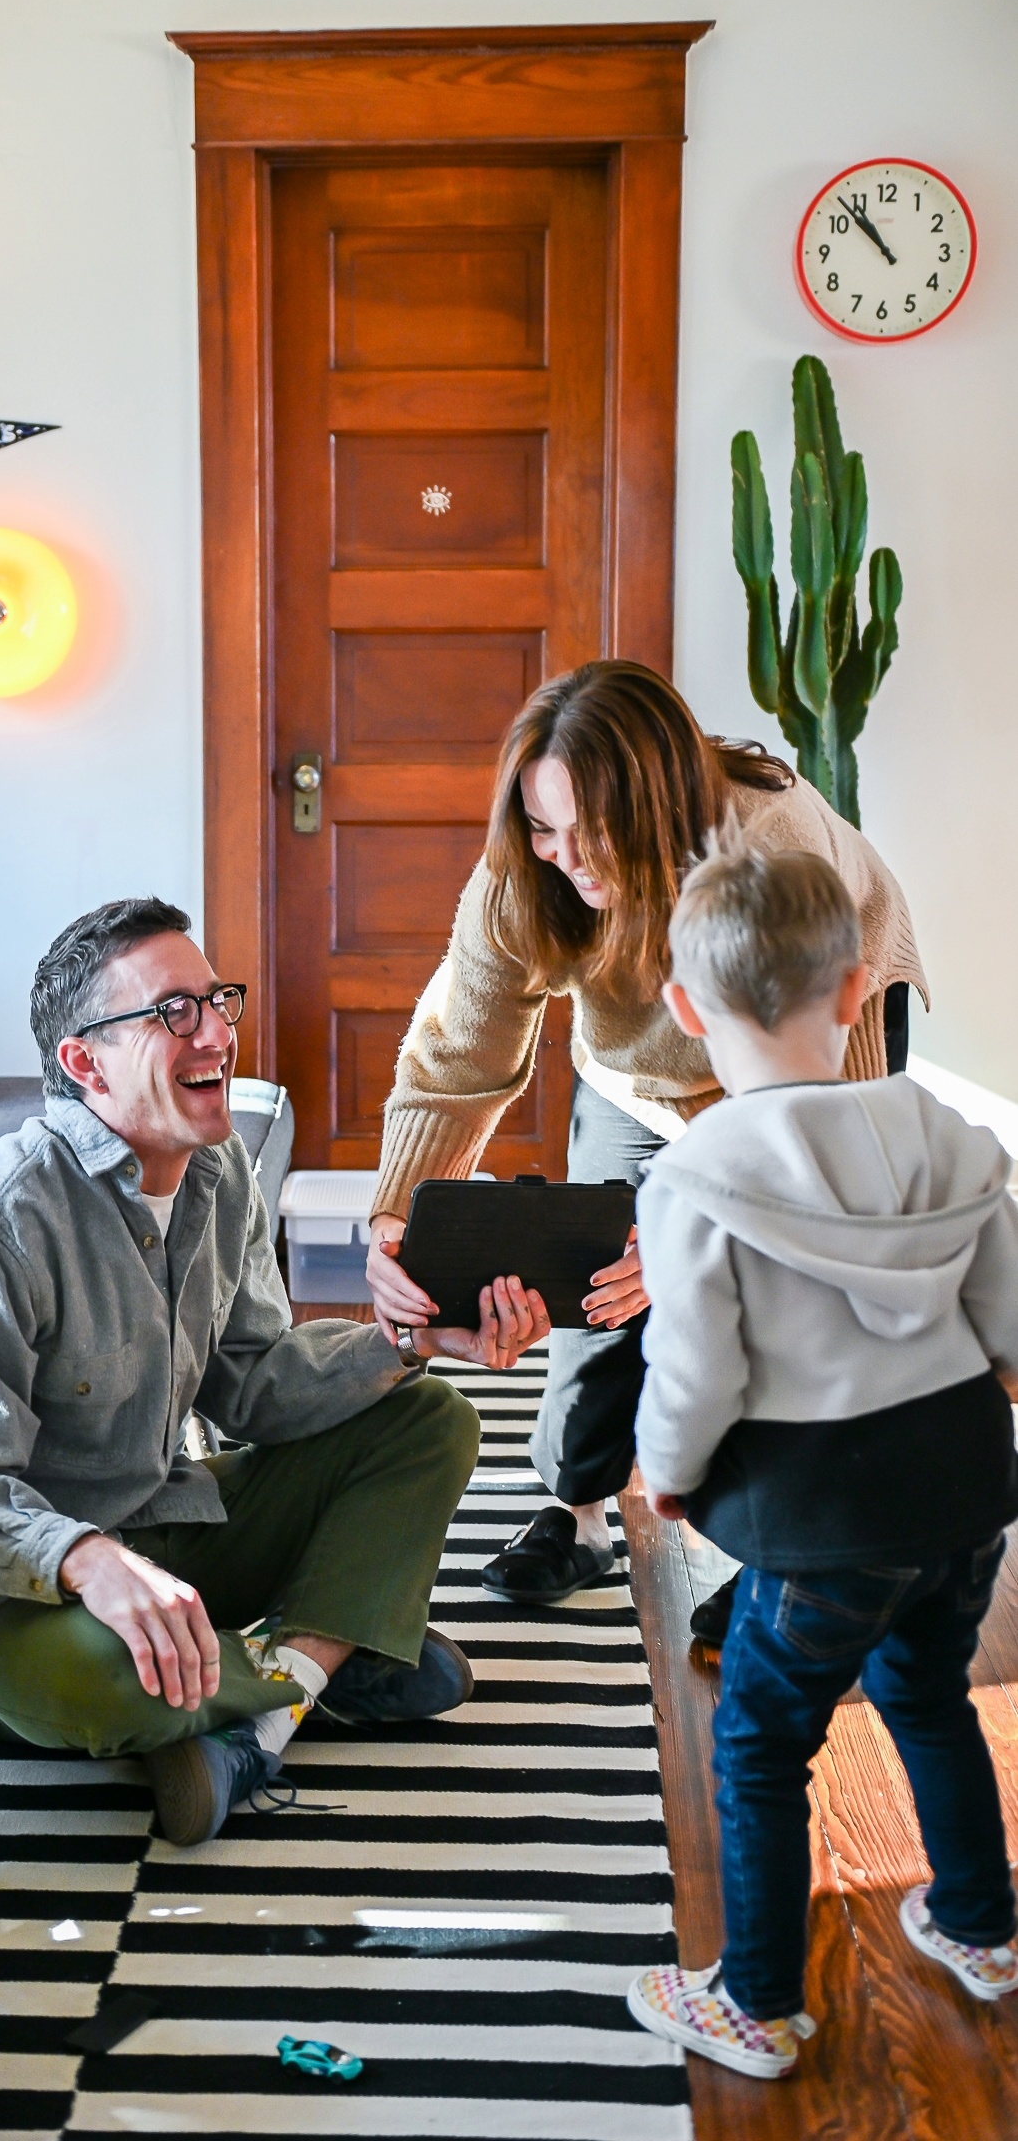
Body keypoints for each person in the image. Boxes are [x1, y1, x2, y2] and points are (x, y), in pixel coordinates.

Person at [0, 897, 549, 1848]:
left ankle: (266, 1708)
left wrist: (417, 1341)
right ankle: (334, 1651)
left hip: (163, 1530)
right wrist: (83, 1558)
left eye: (216, 1000)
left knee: (426, 1416)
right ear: (84, 1063)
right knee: (100, 1677)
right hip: (5, 1610)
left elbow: (254, 1381)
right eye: (174, 1011)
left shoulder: (218, 1169)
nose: (220, 1031)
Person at [366, 662, 927, 1630]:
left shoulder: (774, 858)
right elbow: (458, 1048)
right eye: (546, 828)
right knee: (600, 1268)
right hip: (639, 1062)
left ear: (661, 802)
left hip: (807, 1062)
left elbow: (807, 1131)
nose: (567, 857)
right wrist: (394, 1217)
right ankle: (578, 1513)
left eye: (594, 831)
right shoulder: (525, 871)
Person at [625, 834, 1018, 2079]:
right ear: (858, 990)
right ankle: (983, 1928)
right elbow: (1010, 1325)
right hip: (964, 1493)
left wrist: (665, 1471)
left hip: (821, 1522)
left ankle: (756, 2002)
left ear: (686, 1009)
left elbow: (697, 1370)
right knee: (929, 1693)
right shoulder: (953, 1135)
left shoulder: (695, 1174)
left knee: (760, 1739)